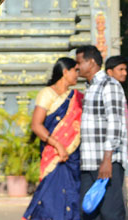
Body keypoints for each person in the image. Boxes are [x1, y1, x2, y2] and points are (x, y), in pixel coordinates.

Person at [24, 57, 83, 220]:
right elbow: (36, 125)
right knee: (51, 201)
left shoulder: (77, 97)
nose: (78, 74)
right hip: (54, 156)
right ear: (65, 72)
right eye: (75, 70)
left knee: (71, 199)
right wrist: (58, 146)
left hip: (73, 157)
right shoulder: (47, 94)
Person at [76, 45, 128, 220]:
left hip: (107, 163)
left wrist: (107, 160)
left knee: (111, 213)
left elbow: (115, 123)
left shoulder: (109, 85)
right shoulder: (89, 87)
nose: (77, 67)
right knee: (89, 212)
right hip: (88, 162)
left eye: (79, 63)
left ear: (91, 63)